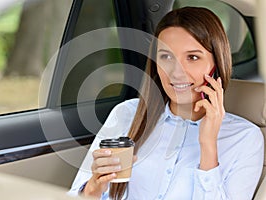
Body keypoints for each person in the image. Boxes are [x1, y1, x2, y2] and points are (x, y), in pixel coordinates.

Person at [68, 6, 264, 200]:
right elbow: (75, 196)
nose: (177, 72)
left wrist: (208, 145)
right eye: (166, 57)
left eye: (193, 57)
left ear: (217, 64)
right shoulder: (126, 114)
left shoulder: (244, 138)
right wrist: (94, 187)